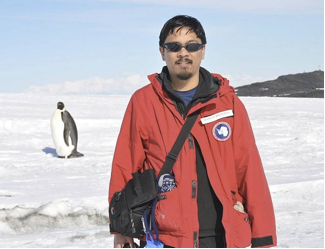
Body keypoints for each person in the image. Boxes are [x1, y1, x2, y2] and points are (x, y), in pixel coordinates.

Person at [108, 15, 277, 248]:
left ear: (203, 51)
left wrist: (263, 237)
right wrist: (121, 228)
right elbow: (125, 165)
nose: (183, 52)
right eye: (174, 46)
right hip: (166, 237)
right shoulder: (143, 101)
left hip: (223, 235)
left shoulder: (227, 103)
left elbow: (248, 169)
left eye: (192, 46)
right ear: (162, 52)